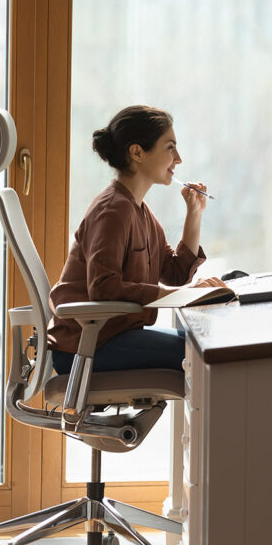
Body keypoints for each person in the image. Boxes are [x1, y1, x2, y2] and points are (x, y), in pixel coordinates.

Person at [47, 104, 224, 374]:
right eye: (170, 147)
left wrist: (194, 214)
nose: (179, 159)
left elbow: (175, 274)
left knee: (203, 343)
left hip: (109, 338)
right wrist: (184, 294)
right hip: (86, 347)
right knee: (201, 352)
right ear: (137, 152)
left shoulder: (138, 209)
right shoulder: (113, 210)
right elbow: (104, 289)